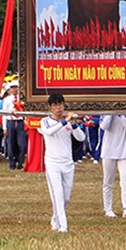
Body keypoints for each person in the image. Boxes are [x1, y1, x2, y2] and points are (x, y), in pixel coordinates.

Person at [38, 93, 85, 233]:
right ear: (51, 108)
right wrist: (64, 122)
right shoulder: (46, 121)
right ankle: (63, 226)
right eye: (55, 105)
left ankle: (55, 218)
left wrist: (73, 124)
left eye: (60, 105)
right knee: (57, 194)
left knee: (66, 197)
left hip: (68, 163)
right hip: (53, 163)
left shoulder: (68, 123)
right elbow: (49, 131)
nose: (58, 108)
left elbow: (81, 138)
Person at [99, 114, 126, 218]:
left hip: (124, 151)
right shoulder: (106, 113)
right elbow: (103, 126)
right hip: (108, 151)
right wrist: (111, 113)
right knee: (108, 181)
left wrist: (123, 115)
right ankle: (108, 209)